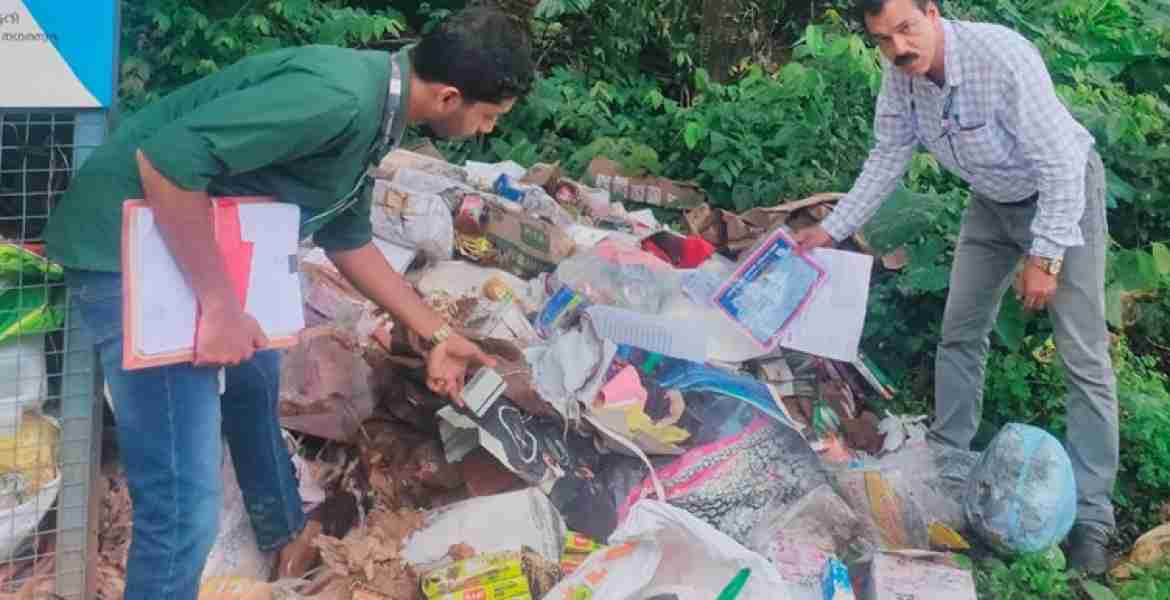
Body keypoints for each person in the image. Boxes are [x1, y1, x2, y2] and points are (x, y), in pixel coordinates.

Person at [43, 8, 532, 599]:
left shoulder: (378, 111)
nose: (485, 131)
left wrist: (435, 333)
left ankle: (282, 535)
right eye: (488, 117)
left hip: (189, 240)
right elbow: (167, 164)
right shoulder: (339, 98)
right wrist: (219, 307)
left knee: (255, 377)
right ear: (451, 97)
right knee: (182, 502)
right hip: (125, 253)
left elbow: (347, 237)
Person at [794, 0, 1116, 575]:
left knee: (1083, 355)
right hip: (991, 202)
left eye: (907, 29)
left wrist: (1046, 254)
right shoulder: (902, 79)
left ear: (933, 12)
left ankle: (1093, 520)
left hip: (1062, 197)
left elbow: (1062, 165)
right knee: (960, 333)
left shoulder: (1002, 58)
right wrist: (833, 228)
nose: (899, 49)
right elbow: (888, 155)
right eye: (883, 40)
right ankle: (948, 469)